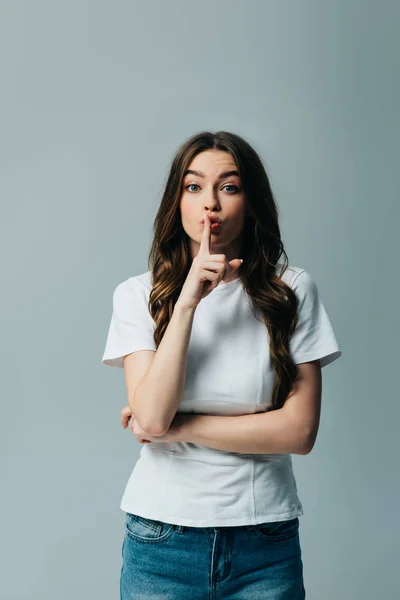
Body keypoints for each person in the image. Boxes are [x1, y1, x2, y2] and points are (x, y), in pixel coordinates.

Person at [101, 130, 342, 599]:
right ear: (178, 201)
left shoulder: (291, 290)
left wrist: (177, 428)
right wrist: (188, 301)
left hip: (264, 542)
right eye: (193, 187)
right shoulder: (137, 295)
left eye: (228, 187)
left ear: (250, 202)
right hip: (162, 542)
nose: (209, 203)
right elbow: (150, 416)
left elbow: (299, 432)